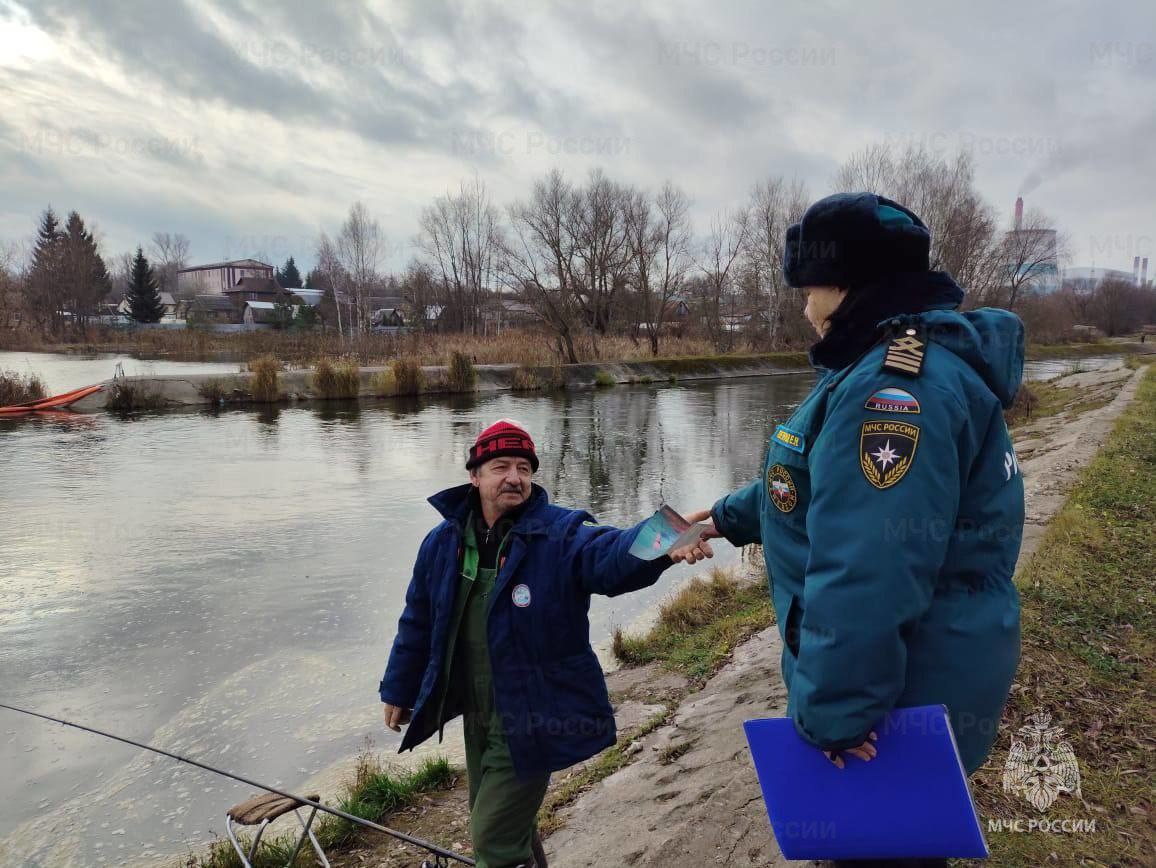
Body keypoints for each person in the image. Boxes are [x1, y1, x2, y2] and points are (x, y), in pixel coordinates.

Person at [675, 192, 1025, 868]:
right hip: (927, 668)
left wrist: (835, 717)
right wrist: (726, 516)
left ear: (845, 285)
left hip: (894, 701)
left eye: (808, 287)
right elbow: (816, 483)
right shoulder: (900, 359)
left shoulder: (892, 393)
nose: (803, 306)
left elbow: (868, 566)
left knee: (877, 852)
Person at [378, 419, 710, 868]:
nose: (514, 477)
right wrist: (399, 689)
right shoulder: (443, 543)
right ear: (474, 476)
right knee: (502, 822)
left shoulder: (560, 534)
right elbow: (418, 619)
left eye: (523, 467)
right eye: (500, 466)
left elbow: (609, 554)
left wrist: (664, 535)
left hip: (534, 714)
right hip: (477, 711)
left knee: (492, 839)